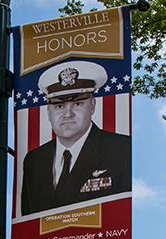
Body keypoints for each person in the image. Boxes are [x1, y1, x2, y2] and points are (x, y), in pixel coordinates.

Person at [21, 61, 131, 216]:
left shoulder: (122, 149)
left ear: (92, 105)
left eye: (77, 103)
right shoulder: (34, 160)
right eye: (59, 106)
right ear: (48, 111)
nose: (68, 114)